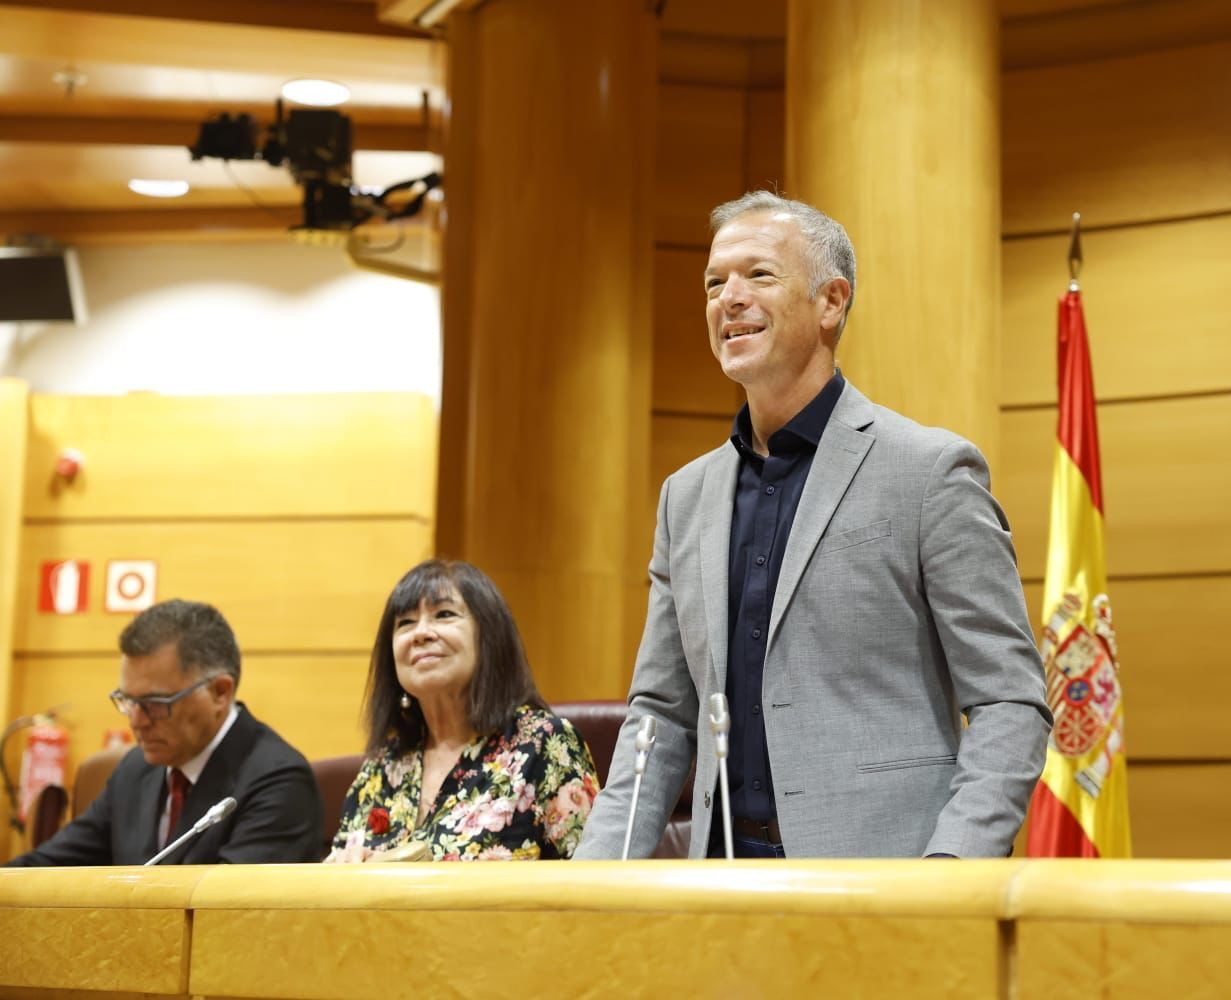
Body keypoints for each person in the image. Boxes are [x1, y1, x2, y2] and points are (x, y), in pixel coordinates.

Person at [575, 193, 1051, 860]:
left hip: (886, 885)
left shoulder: (930, 472)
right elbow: (660, 715)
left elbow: (1009, 701)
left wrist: (953, 870)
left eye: (758, 275)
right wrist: (592, 879)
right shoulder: (685, 497)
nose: (728, 299)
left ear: (832, 302)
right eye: (715, 283)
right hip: (718, 884)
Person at [7, 599, 323, 866]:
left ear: (219, 692)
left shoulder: (278, 782)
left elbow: (227, 920)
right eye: (128, 701)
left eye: (155, 703)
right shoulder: (134, 769)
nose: (136, 721)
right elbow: (47, 868)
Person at [326, 559, 598, 862]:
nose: (421, 633)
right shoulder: (383, 765)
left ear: (489, 637)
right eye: (405, 623)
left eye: (444, 615)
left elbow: (591, 885)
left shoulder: (544, 743)